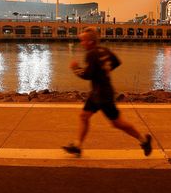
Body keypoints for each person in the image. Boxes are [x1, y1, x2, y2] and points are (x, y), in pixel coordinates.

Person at [63, 27, 152, 157]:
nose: (81, 43)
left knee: (117, 123)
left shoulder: (91, 54)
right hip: (98, 92)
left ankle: (144, 140)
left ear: (90, 42)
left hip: (102, 95)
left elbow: (88, 75)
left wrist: (75, 68)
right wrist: (105, 71)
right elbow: (116, 62)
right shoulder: (104, 50)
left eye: (83, 41)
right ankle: (77, 145)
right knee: (84, 116)